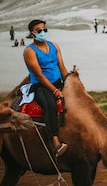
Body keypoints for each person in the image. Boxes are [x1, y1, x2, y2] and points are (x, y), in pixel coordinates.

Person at [24, 19, 69, 156]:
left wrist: (69, 81)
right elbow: (39, 75)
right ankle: (55, 142)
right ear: (32, 33)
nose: (42, 33)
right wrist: (55, 91)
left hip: (57, 81)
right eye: (39, 31)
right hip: (41, 85)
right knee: (50, 105)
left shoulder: (54, 46)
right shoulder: (29, 51)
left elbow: (61, 67)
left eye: (44, 30)